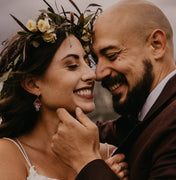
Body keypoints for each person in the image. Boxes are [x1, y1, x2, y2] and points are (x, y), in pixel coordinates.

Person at [51, 0, 176, 179]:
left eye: (112, 55)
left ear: (156, 45)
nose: (98, 73)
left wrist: (87, 162)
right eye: (96, 60)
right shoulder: (144, 113)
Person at [0, 0, 129, 179]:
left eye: (87, 62)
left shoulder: (111, 155)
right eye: (72, 65)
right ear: (32, 84)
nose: (91, 75)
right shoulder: (8, 154)